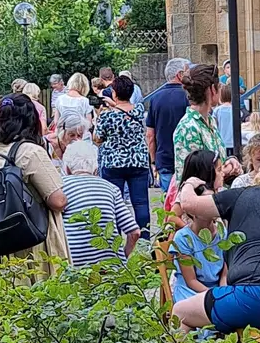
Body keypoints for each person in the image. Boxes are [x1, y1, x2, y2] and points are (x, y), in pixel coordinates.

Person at [170, 161, 260, 333]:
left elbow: (188, 205)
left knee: (180, 311)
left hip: (258, 299)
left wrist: (189, 183)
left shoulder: (243, 195)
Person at [0, 93, 70, 268]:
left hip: (4, 240)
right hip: (34, 240)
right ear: (31, 119)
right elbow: (58, 201)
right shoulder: (30, 152)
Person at [58, 141, 141, 265]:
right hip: (110, 268)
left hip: (74, 265)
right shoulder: (111, 188)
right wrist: (122, 258)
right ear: (96, 169)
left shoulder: (61, 186)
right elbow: (134, 233)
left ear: (67, 169)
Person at [92, 74, 152, 235]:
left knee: (114, 204)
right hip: (138, 161)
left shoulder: (107, 116)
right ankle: (144, 240)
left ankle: (116, 241)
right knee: (140, 203)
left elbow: (97, 138)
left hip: (114, 163)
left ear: (114, 93)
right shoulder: (139, 111)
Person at [166, 149, 228, 300]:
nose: (223, 173)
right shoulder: (189, 196)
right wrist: (194, 235)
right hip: (191, 284)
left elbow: (225, 270)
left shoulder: (221, 231)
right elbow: (171, 218)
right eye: (219, 170)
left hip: (213, 284)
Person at [145, 58, 193, 191]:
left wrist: (154, 160)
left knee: (169, 204)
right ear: (180, 74)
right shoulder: (189, 96)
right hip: (188, 159)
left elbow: (150, 135)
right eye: (187, 72)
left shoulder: (155, 99)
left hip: (164, 158)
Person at [173, 63, 226, 162]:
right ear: (212, 89)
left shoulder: (210, 120)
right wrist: (226, 170)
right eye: (218, 86)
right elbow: (193, 174)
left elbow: (217, 161)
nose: (220, 90)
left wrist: (229, 161)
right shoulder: (188, 127)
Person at [212, 83, 237, 154]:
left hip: (221, 140)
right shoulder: (235, 109)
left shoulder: (217, 110)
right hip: (234, 141)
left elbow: (214, 125)